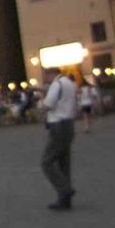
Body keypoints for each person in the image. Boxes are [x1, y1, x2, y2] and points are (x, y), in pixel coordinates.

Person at [40, 66, 78, 210]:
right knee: (64, 162)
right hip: (69, 123)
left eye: (45, 76)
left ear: (51, 74)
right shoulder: (69, 83)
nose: (45, 79)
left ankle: (65, 188)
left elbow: (49, 104)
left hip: (58, 124)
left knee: (46, 161)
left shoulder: (56, 84)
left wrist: (41, 106)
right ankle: (65, 200)